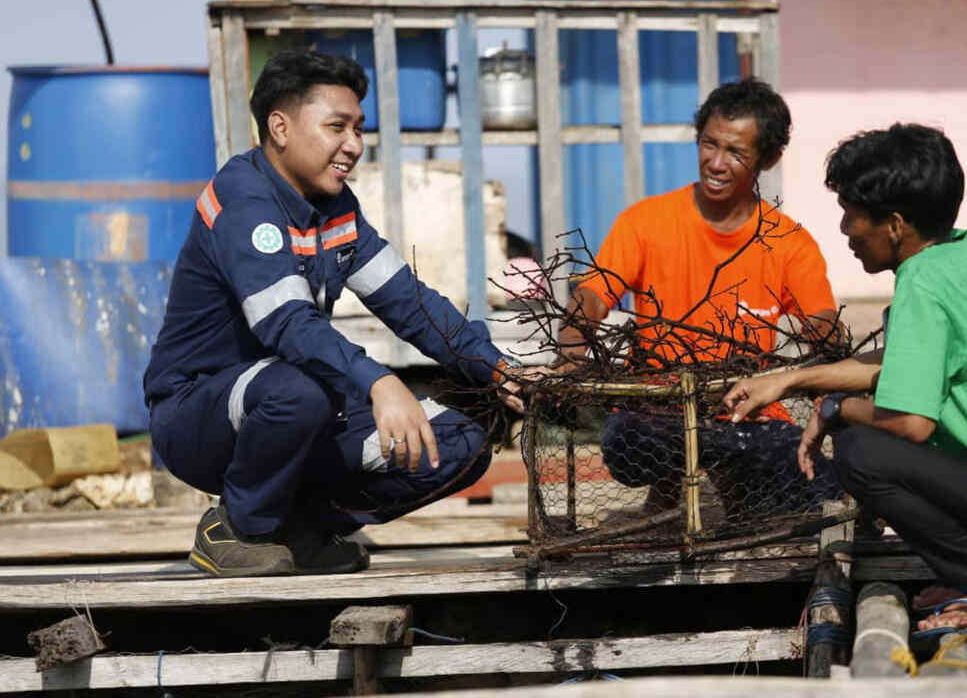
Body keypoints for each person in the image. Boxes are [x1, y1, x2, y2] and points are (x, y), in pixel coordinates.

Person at [722, 123, 967, 629]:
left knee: (861, 450)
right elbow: (902, 366)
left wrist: (832, 409)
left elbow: (910, 421)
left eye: (851, 215)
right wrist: (791, 379)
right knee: (866, 427)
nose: (846, 230)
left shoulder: (923, 282)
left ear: (894, 226)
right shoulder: (963, 254)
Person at [144, 50, 530, 578]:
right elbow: (285, 322)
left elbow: (411, 305)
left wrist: (496, 367)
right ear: (279, 127)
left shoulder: (337, 209)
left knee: (462, 444)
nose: (353, 145)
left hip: (305, 402)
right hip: (200, 412)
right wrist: (379, 381)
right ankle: (235, 528)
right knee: (297, 391)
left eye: (358, 128)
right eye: (336, 127)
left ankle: (304, 528)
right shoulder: (244, 200)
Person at [558, 78, 842, 516]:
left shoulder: (789, 242)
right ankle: (676, 489)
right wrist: (573, 346)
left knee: (808, 479)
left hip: (745, 413)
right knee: (627, 440)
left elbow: (820, 319)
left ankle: (728, 495)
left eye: (736, 153)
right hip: (657, 412)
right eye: (709, 144)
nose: (716, 162)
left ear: (769, 158)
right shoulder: (645, 222)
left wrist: (831, 348)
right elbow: (593, 296)